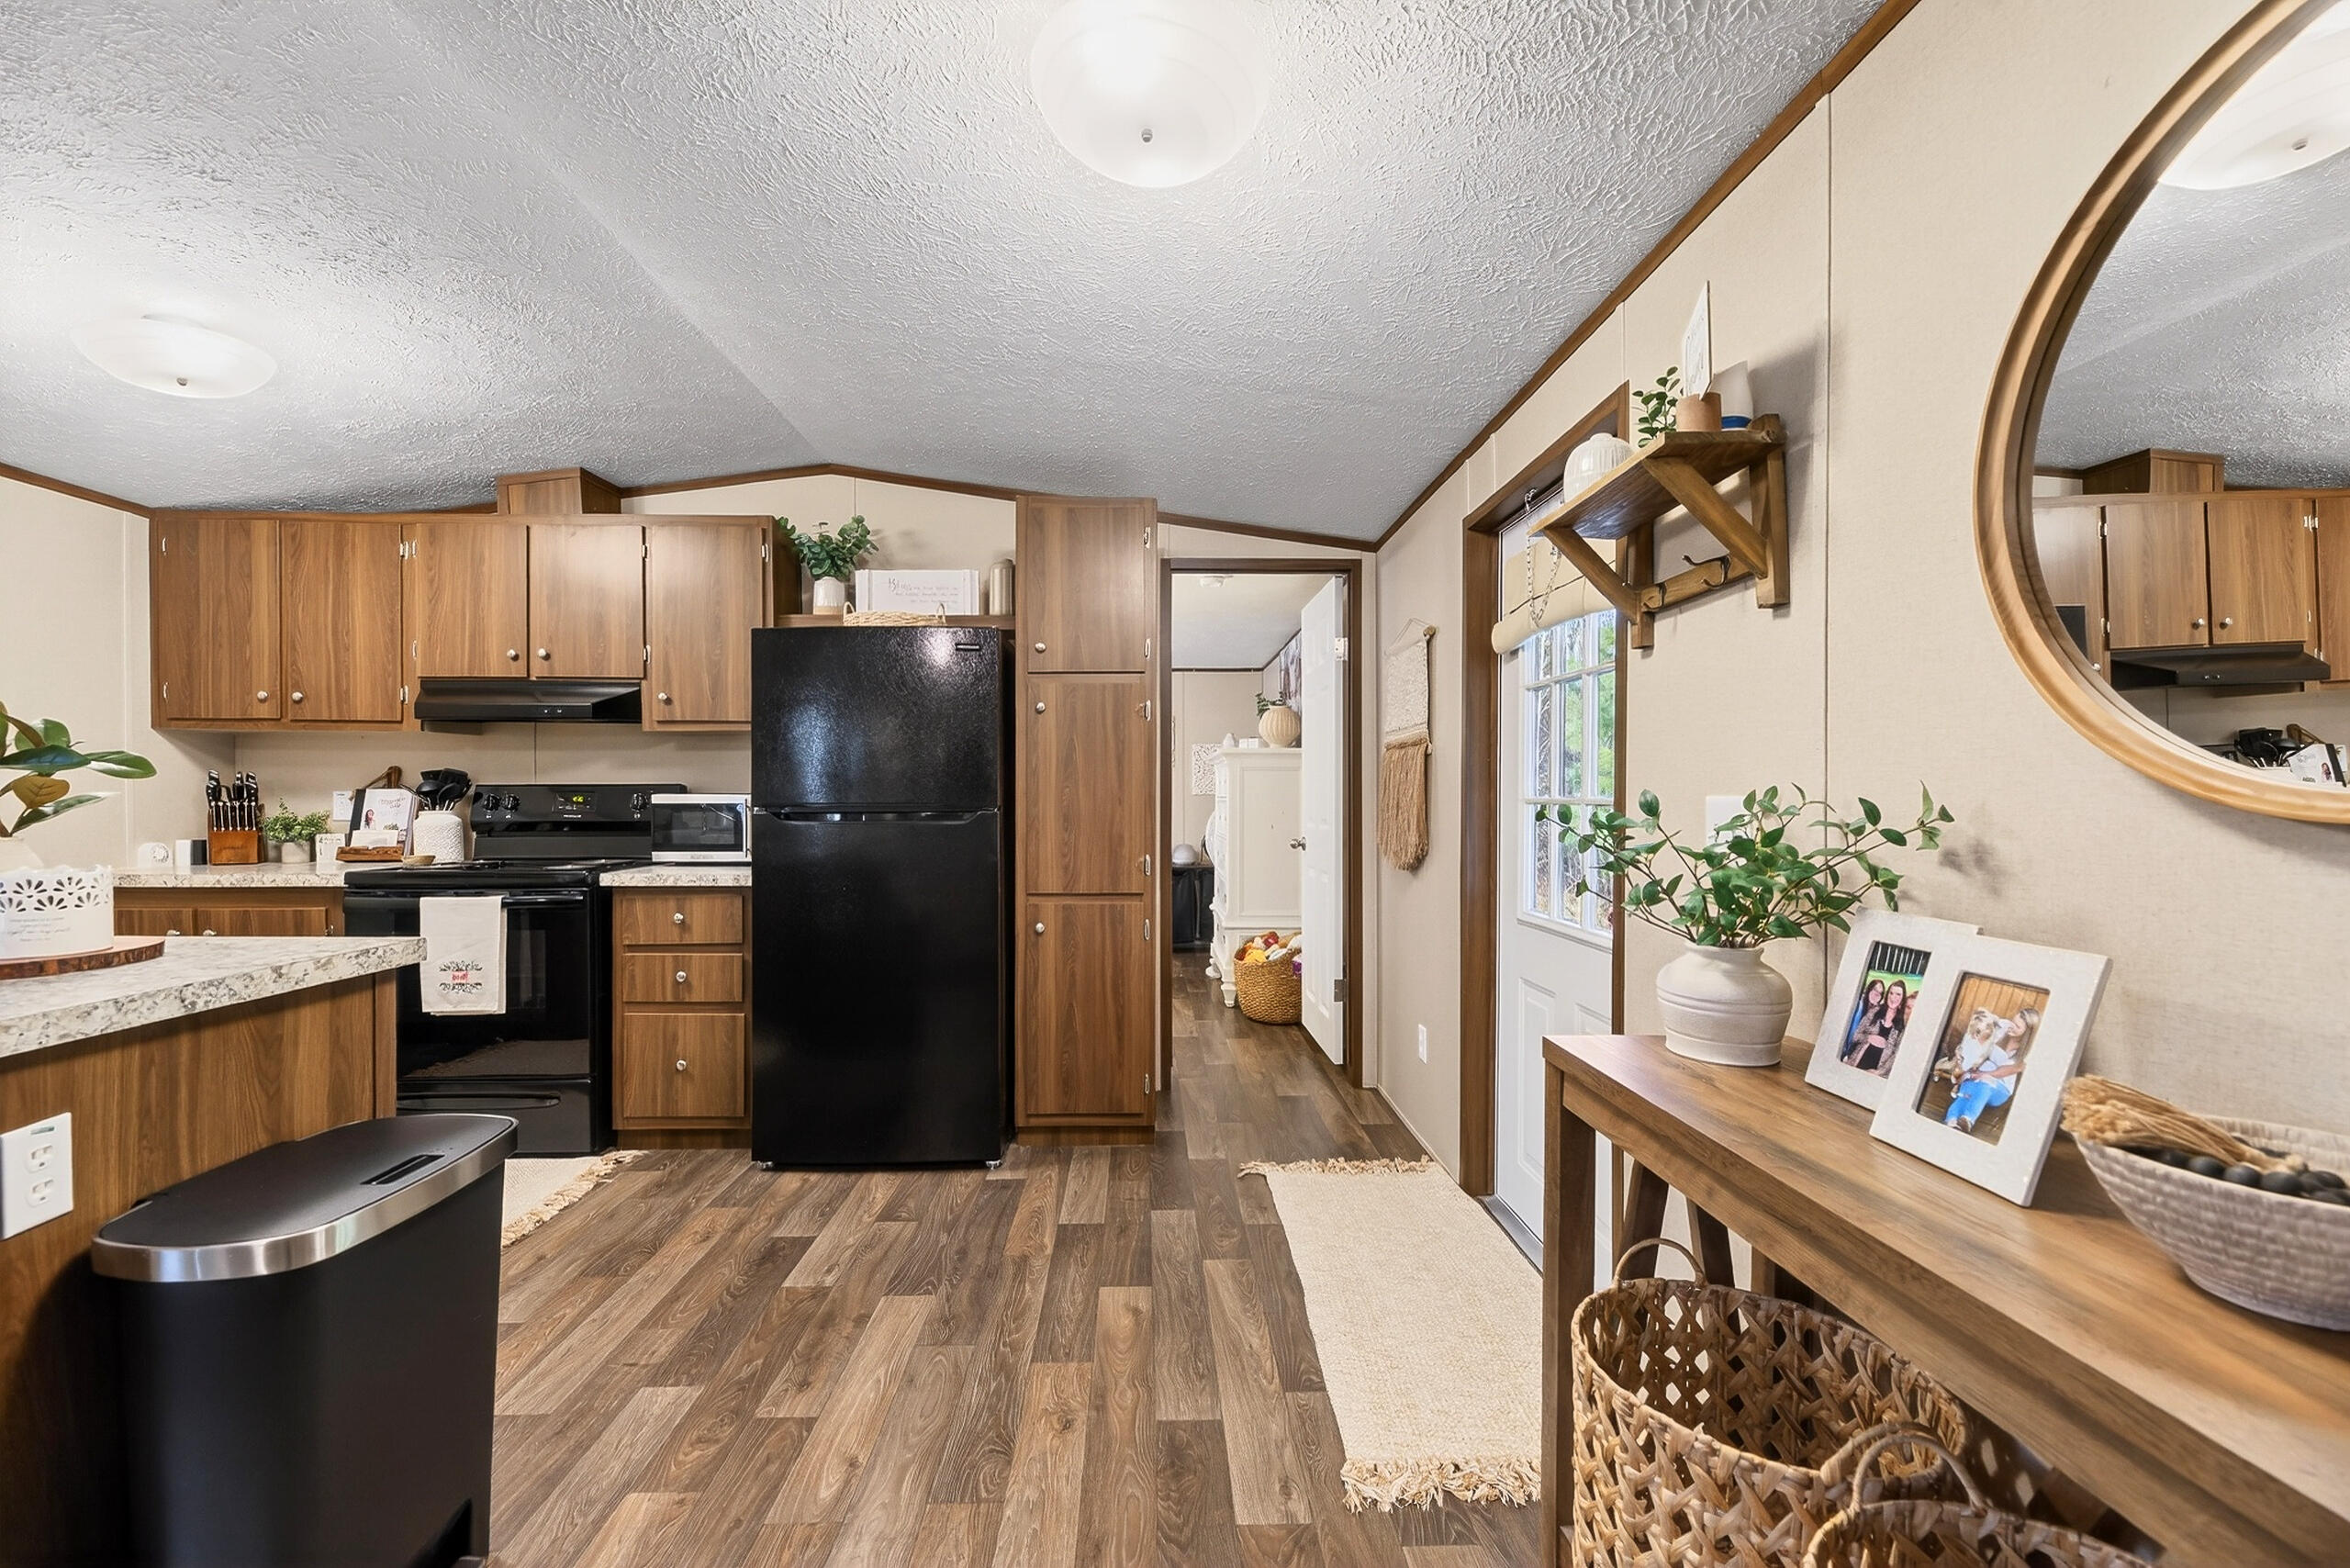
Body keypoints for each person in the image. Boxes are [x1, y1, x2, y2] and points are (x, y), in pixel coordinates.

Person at [1943, 1006, 2031, 1133]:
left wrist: (1985, 1074)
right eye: (2013, 1021)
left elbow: (2014, 1069)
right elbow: (1981, 1027)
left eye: (2017, 1026)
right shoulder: (2002, 1027)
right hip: (1977, 1076)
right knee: (1965, 1091)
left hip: (2000, 1088)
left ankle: (1968, 1119)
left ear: (2027, 1032)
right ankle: (1951, 1121)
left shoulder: (2027, 1050)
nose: (2011, 1026)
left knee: (1985, 1081)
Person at [1853, 980, 1910, 1074]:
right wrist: (1868, 1037)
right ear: (1887, 994)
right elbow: (1855, 1036)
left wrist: (1880, 1072)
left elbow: (1897, 1054)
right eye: (1891, 993)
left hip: (1877, 1072)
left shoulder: (1902, 1023)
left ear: (1903, 998)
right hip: (1857, 1063)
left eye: (1898, 994)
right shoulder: (1874, 1011)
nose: (1893, 997)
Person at [1840, 980, 1887, 1065]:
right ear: (1868, 989)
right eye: (1875, 990)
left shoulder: (1875, 1013)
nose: (1877, 994)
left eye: (1880, 993)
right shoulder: (1858, 1006)